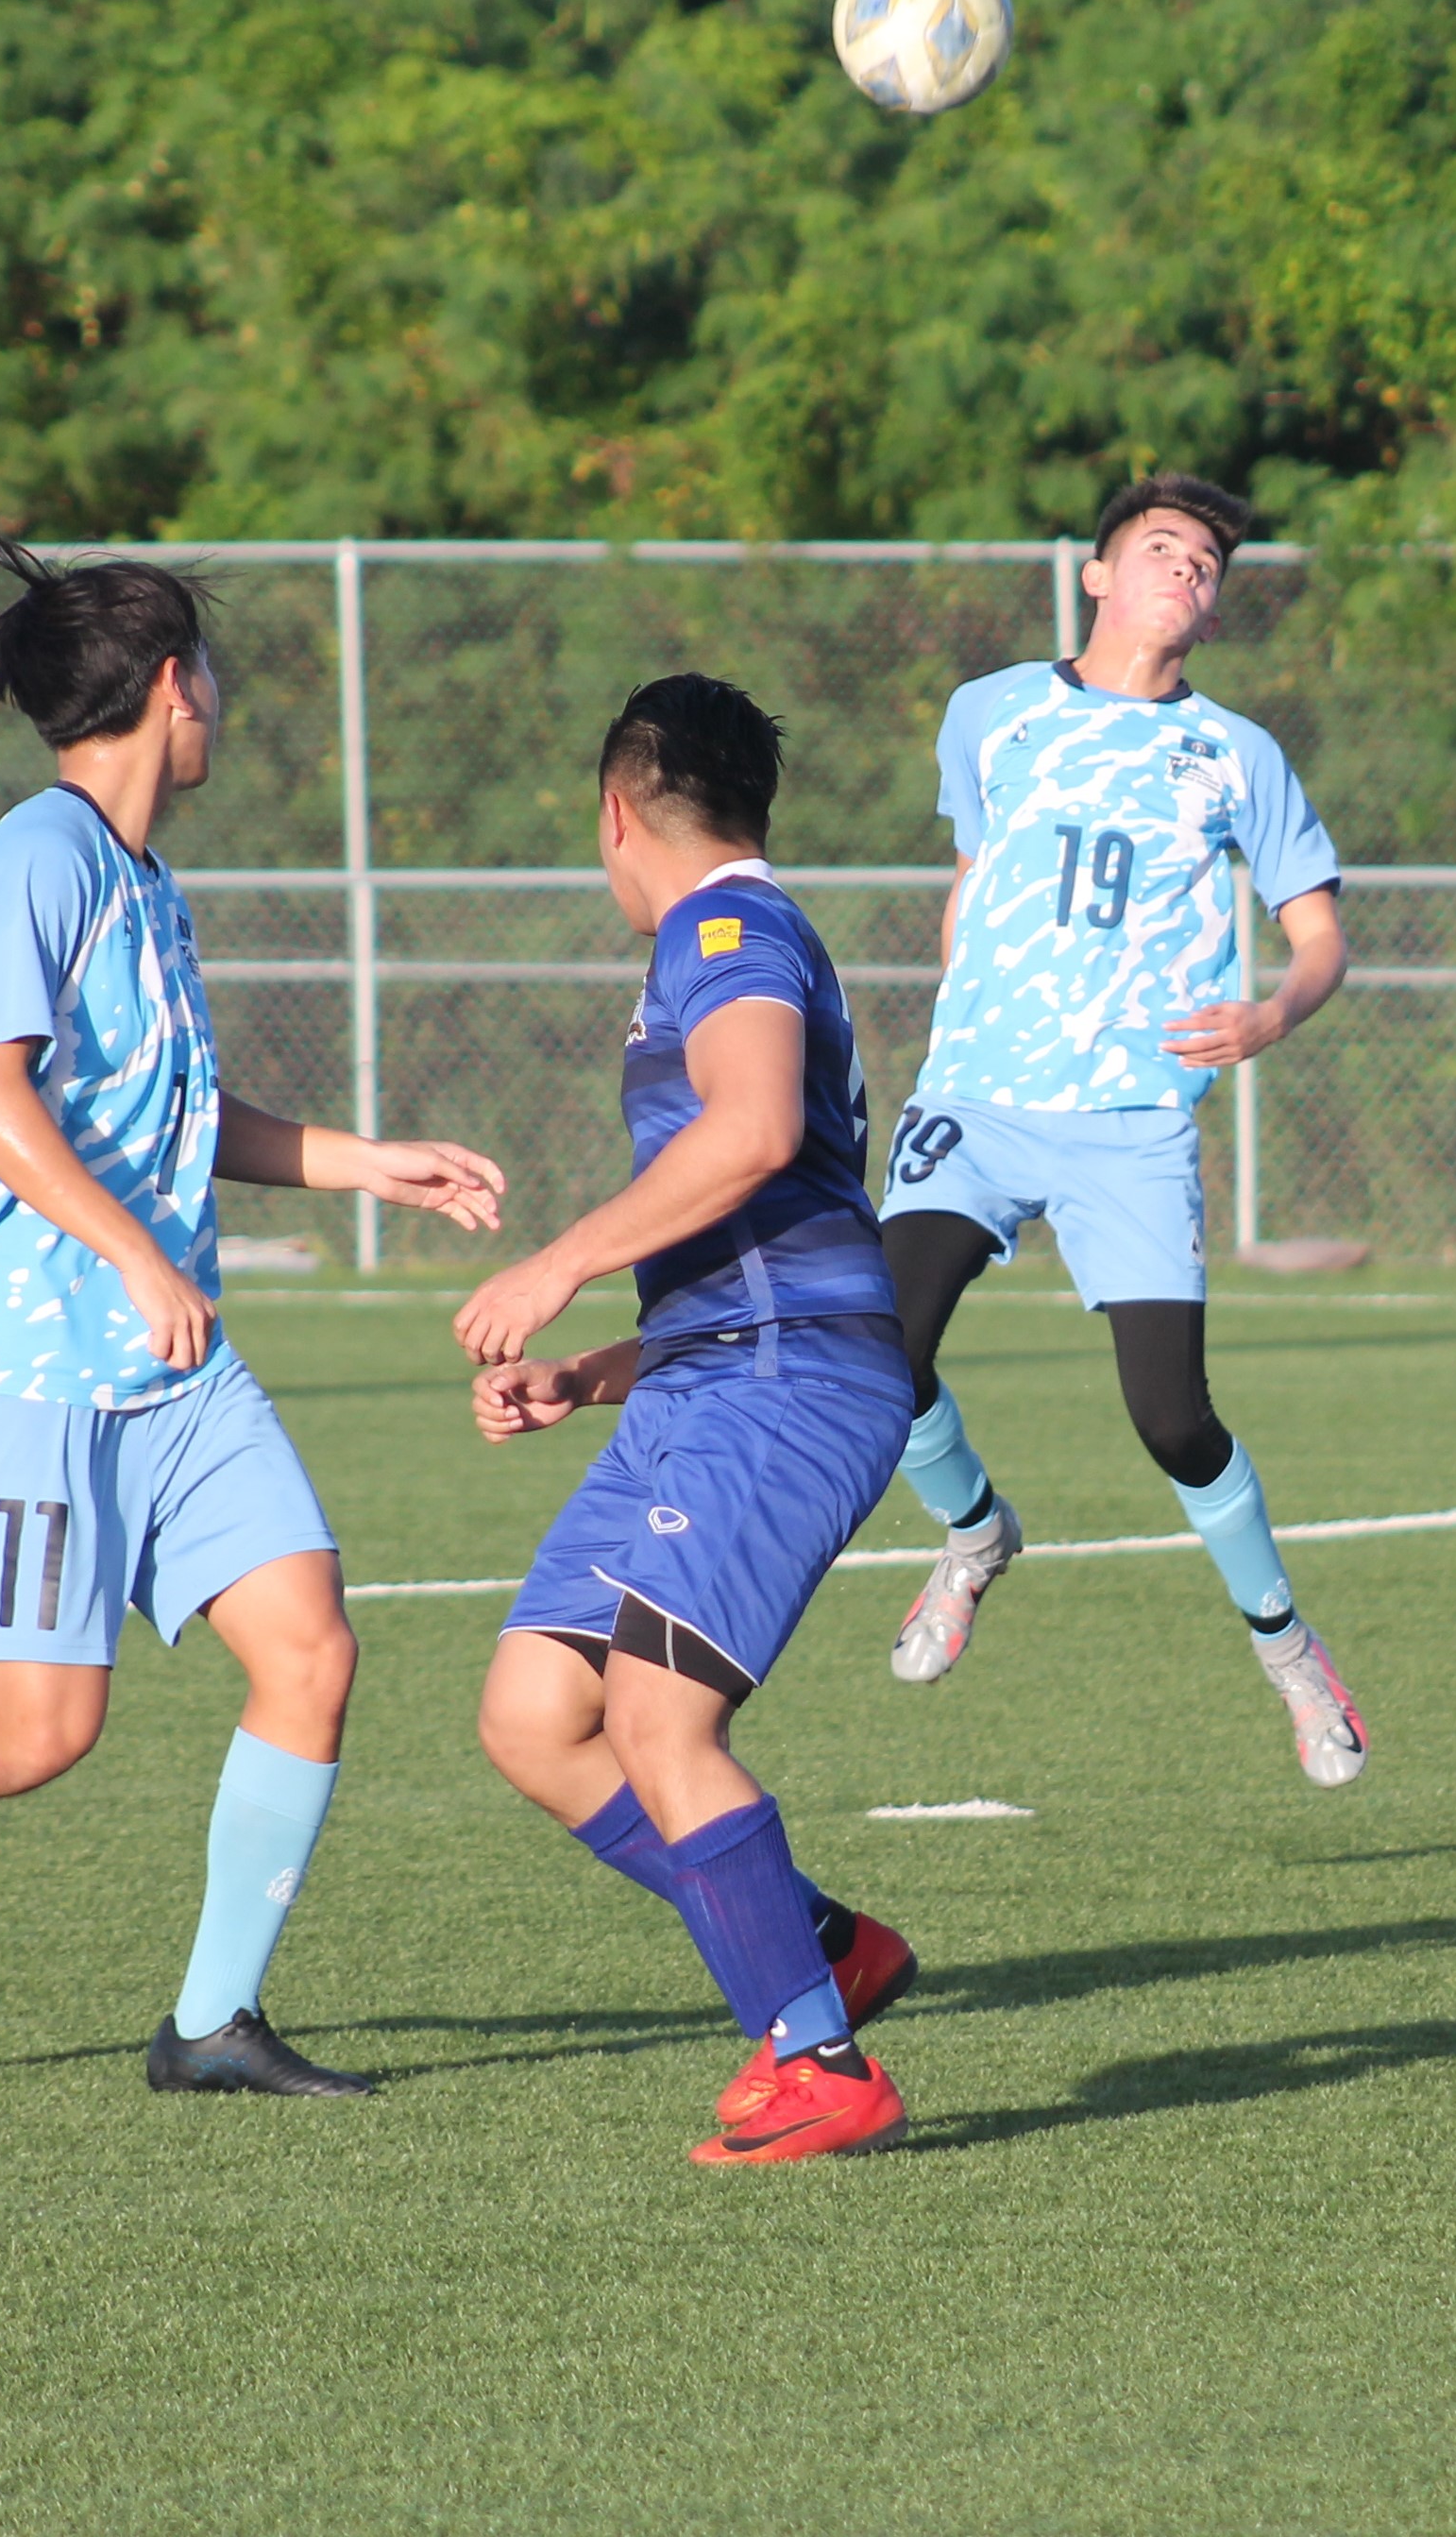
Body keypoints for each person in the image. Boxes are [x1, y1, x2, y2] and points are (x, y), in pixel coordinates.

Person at [0, 539, 503, 2097]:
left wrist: (363, 1162)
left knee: (310, 1648)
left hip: (174, 1368)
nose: (220, 708)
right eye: (211, 678)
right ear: (171, 685)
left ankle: (211, 2024)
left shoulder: (143, 879)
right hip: (35, 1366)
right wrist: (134, 1255)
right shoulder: (40, 851)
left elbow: (171, 1118)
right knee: (40, 1731)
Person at [462, 673, 918, 2167]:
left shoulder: (724, 928)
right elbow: (746, 1231)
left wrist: (556, 1259)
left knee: (661, 1717)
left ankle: (820, 2061)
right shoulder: (715, 937)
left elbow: (756, 1130)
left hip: (783, 1391)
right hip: (709, 1377)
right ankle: (817, 1947)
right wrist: (596, 1370)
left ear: (615, 809)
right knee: (536, 1715)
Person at [877, 473, 1366, 1786]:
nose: (1187, 574)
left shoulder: (1237, 754)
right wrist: (953, 1037)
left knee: (1171, 1419)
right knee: (879, 1351)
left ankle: (1289, 1652)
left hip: (1132, 1123)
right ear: (1095, 574)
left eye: (1208, 565)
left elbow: (1318, 936)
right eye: (1162, 551)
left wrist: (1271, 1017)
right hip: (975, 1103)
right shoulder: (991, 712)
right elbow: (976, 881)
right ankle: (974, 1534)